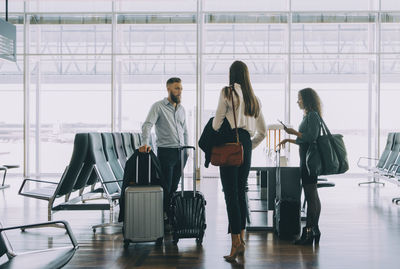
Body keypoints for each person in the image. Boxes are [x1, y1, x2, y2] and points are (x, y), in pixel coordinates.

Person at [212, 61, 267, 262]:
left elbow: (217, 122)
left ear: (231, 74)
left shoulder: (228, 92)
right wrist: (247, 147)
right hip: (245, 145)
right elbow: (263, 132)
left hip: (230, 143)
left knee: (230, 194)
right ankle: (240, 240)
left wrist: (214, 125)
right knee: (241, 191)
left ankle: (236, 244)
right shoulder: (255, 99)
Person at [139, 77, 188, 222]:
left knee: (174, 185)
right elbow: (147, 125)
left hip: (181, 152)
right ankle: (164, 216)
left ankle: (171, 215)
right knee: (166, 186)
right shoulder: (158, 106)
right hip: (166, 152)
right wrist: (144, 143)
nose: (180, 92)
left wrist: (188, 150)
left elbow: (185, 131)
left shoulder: (182, 109)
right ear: (169, 89)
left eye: (181, 89)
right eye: (177, 88)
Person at [277, 87, 322, 245]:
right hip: (306, 159)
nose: (297, 101)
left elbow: (311, 137)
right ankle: (314, 230)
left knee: (311, 196)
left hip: (310, 162)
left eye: (300, 98)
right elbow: (305, 139)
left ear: (307, 100)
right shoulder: (309, 116)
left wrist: (293, 132)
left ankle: (309, 232)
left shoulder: (313, 116)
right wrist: (288, 139)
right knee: (312, 196)